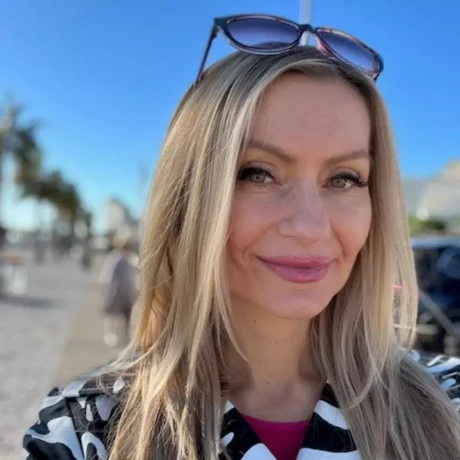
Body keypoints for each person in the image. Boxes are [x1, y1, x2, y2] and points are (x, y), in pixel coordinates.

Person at [23, 14, 460, 460]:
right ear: (189, 197)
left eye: (344, 178)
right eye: (258, 173)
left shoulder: (447, 402)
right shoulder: (84, 433)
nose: (310, 226)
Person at [98, 230, 138, 347]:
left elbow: (134, 272)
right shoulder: (115, 257)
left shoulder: (130, 257)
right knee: (112, 314)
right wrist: (107, 290)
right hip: (116, 290)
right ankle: (110, 334)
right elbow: (108, 275)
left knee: (127, 314)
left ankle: (126, 336)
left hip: (127, 291)